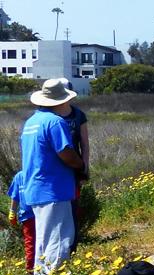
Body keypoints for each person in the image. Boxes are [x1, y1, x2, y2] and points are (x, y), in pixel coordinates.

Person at [21, 78, 84, 275]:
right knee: (59, 238)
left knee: (43, 238)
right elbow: (65, 152)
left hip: (35, 188)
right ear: (61, 101)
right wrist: (80, 164)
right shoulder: (55, 122)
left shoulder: (31, 122)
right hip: (54, 189)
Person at [55, 78, 89, 252]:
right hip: (55, 169)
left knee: (73, 205)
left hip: (74, 167)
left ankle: (71, 245)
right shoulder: (50, 116)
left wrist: (85, 167)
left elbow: (84, 143)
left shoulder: (78, 115)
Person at [7, 170, 35, 272]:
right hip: (27, 216)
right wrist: (12, 212)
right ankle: (30, 270)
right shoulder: (19, 176)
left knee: (43, 241)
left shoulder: (37, 172)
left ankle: (43, 267)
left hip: (42, 214)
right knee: (30, 242)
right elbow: (15, 196)